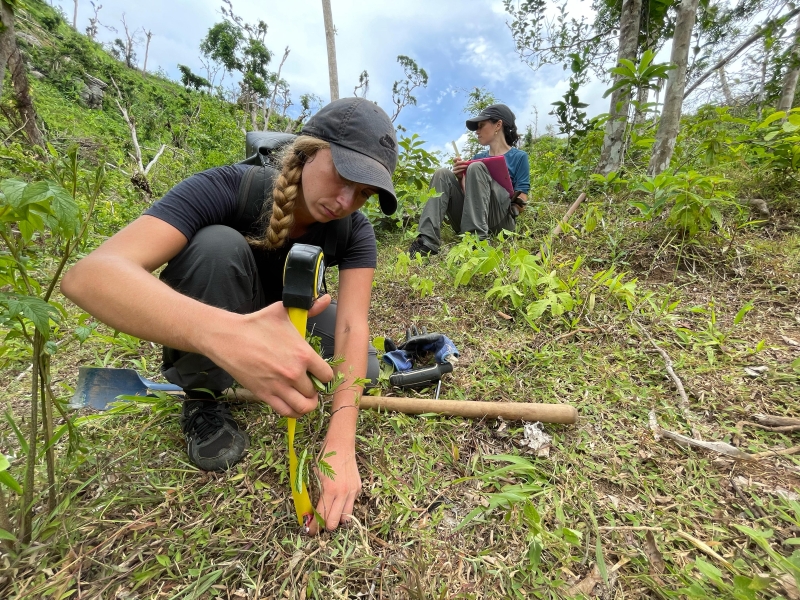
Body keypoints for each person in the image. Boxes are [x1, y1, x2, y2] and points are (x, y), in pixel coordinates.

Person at [61, 97, 399, 534]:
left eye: (365, 194)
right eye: (344, 176)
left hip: (291, 310)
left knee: (365, 366)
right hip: (225, 301)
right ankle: (203, 395)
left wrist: (340, 440)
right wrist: (226, 336)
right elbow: (91, 276)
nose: (347, 201)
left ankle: (265, 355)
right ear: (308, 150)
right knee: (216, 244)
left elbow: (354, 324)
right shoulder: (227, 186)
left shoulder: (355, 230)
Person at [408, 104, 530, 256]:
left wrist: (514, 207)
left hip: (501, 221)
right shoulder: (478, 158)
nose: (477, 131)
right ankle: (426, 242)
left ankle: (475, 242)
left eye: (481, 125)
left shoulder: (519, 157)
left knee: (477, 167)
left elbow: (523, 195)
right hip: (472, 218)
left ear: (498, 125)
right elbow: (469, 197)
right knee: (442, 174)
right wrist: (460, 178)